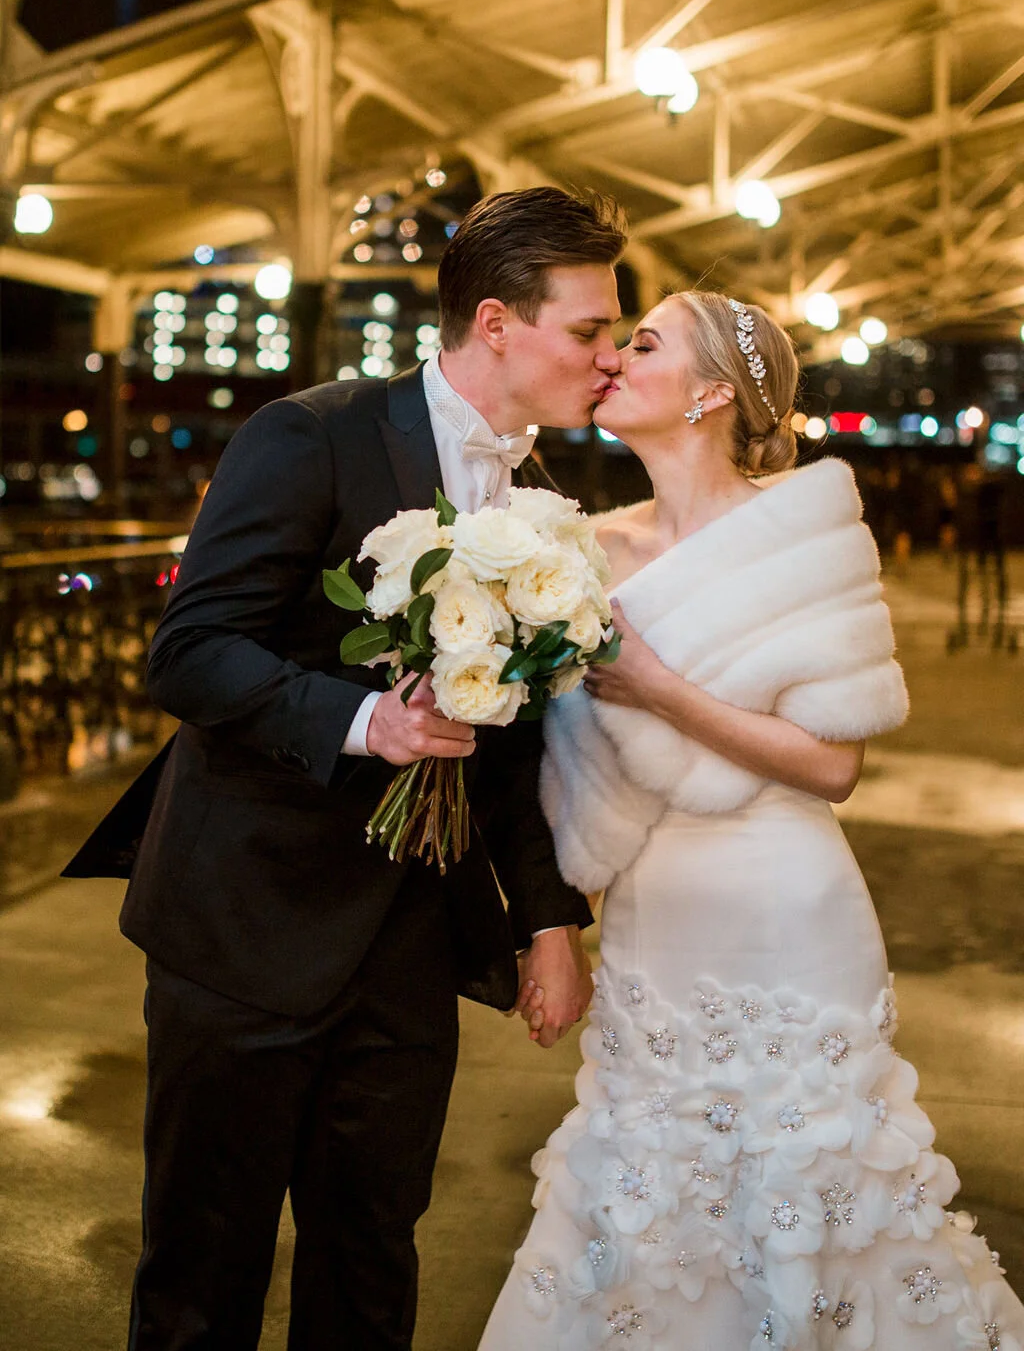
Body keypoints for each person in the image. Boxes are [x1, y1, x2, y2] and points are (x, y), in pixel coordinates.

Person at [63, 185, 628, 1350]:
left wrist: (548, 924)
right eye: (589, 329)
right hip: (245, 925)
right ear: (494, 324)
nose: (608, 357)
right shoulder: (311, 434)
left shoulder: (545, 506)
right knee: (203, 1270)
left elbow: (515, 746)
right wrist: (367, 723)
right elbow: (190, 653)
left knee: (371, 1260)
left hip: (410, 942)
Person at [481, 290, 1024, 1349]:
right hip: (650, 913)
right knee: (647, 1178)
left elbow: (833, 764)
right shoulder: (577, 551)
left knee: (807, 1182)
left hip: (785, 910)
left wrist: (659, 688)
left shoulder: (808, 537)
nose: (613, 360)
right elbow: (543, 762)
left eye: (642, 345)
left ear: (711, 393)